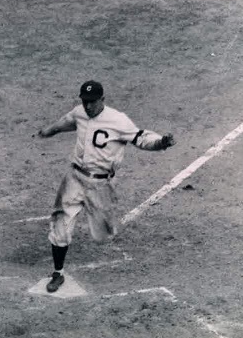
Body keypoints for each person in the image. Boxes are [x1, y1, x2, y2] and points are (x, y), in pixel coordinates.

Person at [36, 80, 176, 292]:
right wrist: (47, 131)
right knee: (60, 224)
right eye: (85, 102)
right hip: (74, 177)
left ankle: (103, 224)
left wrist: (161, 142)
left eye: (92, 102)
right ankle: (58, 273)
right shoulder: (79, 113)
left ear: (102, 99)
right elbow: (63, 123)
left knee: (102, 235)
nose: (88, 106)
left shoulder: (118, 120)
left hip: (100, 184)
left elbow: (141, 138)